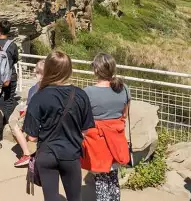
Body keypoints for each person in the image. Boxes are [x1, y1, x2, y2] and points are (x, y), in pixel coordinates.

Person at [23, 50, 95, 201]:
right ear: (69, 70)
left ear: (48, 69)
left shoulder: (38, 96)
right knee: (75, 197)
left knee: (50, 197)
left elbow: (32, 136)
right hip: (71, 153)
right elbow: (85, 130)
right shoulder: (80, 95)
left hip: (47, 154)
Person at [82, 53, 131, 201]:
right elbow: (124, 115)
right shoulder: (124, 88)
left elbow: (83, 119)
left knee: (102, 181)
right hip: (117, 140)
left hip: (98, 142)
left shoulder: (88, 92)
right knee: (113, 179)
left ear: (96, 70)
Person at [0, 20, 33, 166]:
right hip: (10, 78)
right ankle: (9, 118)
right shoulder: (12, 45)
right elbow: (15, 60)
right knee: (9, 99)